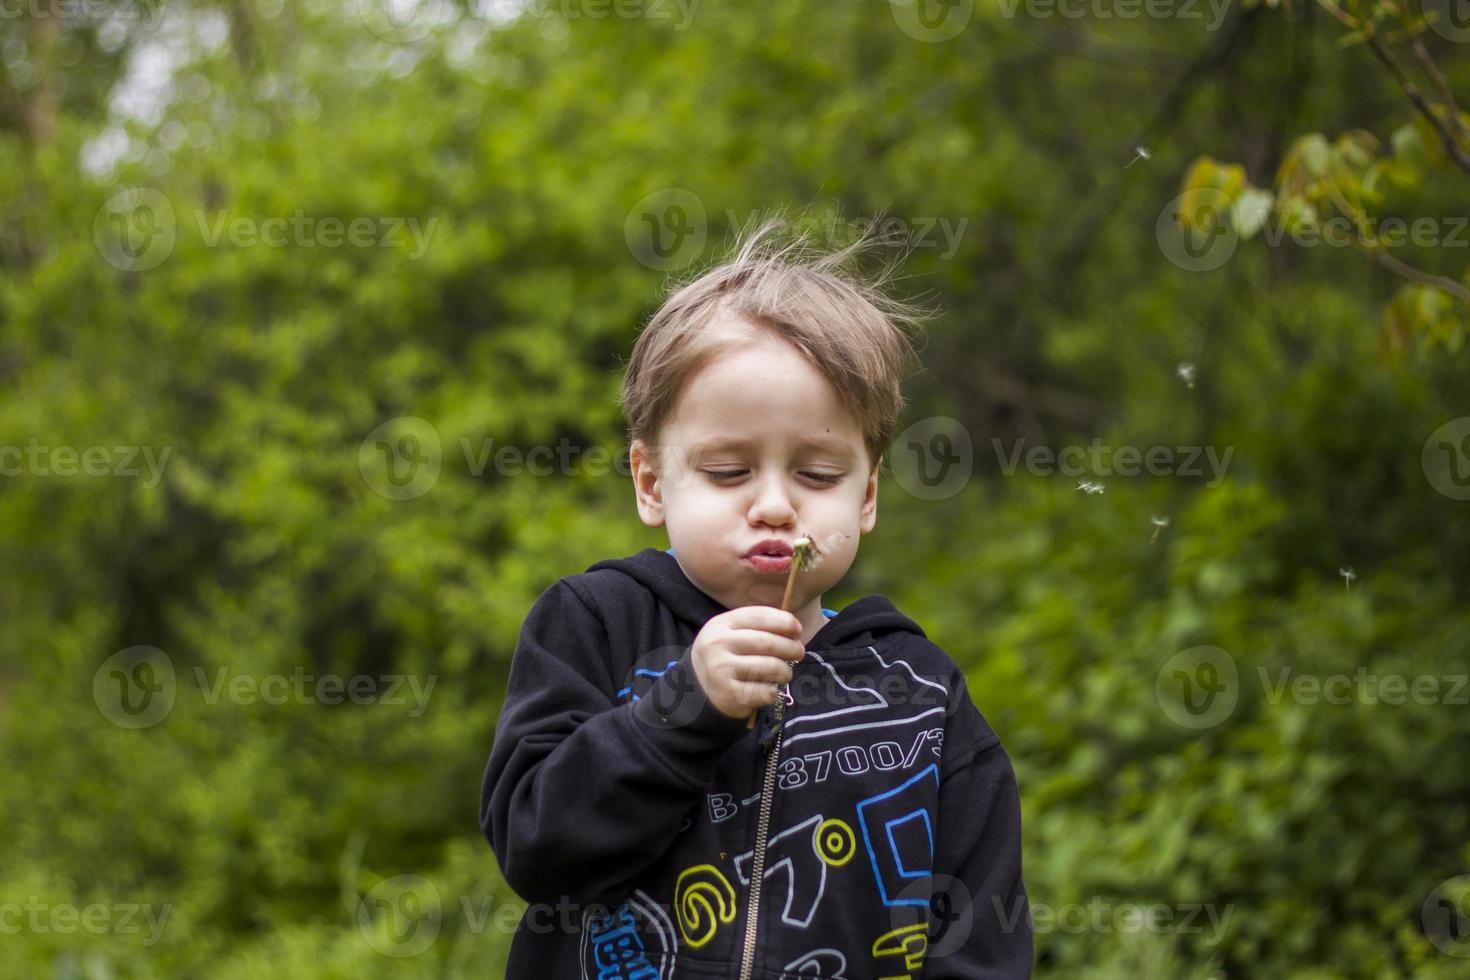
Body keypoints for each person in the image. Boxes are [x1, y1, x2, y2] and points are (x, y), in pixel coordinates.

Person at [480, 217, 1031, 979]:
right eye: (729, 471)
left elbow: (981, 938)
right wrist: (682, 710)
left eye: (817, 475)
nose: (775, 505)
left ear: (867, 497)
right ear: (650, 482)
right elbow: (534, 844)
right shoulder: (595, 623)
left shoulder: (920, 692)